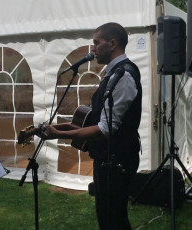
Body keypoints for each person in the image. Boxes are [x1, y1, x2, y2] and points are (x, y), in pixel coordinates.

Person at [38, 22, 142, 230]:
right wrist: (60, 128)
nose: (92, 48)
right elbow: (95, 118)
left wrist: (59, 134)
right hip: (107, 159)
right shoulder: (112, 74)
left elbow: (105, 128)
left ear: (112, 44)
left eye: (96, 43)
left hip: (117, 161)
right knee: (108, 217)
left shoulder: (123, 75)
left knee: (113, 219)